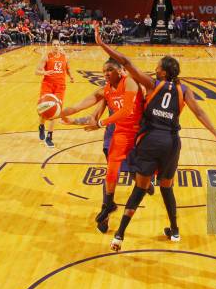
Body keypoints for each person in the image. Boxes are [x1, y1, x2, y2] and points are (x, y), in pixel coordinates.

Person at [90, 23, 216, 251]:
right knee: (167, 187)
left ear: (163, 72)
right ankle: (174, 231)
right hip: (173, 143)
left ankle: (120, 235)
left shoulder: (153, 84)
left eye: (157, 66)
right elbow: (200, 112)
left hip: (151, 139)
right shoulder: (185, 90)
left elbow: (125, 62)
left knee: (140, 188)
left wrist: (102, 43)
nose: (154, 68)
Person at [61, 58, 151, 233]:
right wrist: (66, 116)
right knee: (111, 172)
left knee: (135, 171)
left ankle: (141, 181)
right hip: (113, 132)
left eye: (109, 70)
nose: (105, 75)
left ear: (121, 71)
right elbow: (89, 116)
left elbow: (134, 101)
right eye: (103, 72)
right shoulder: (105, 92)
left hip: (135, 132)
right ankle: (106, 212)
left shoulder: (131, 85)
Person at [36, 39, 74, 147]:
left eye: (58, 45)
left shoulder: (65, 57)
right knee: (44, 110)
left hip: (60, 87)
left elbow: (67, 68)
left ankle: (49, 136)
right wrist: (45, 72)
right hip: (47, 85)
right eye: (54, 45)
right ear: (51, 46)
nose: (56, 46)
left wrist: (71, 76)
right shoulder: (46, 56)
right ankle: (41, 126)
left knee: (56, 111)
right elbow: (36, 71)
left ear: (60, 46)